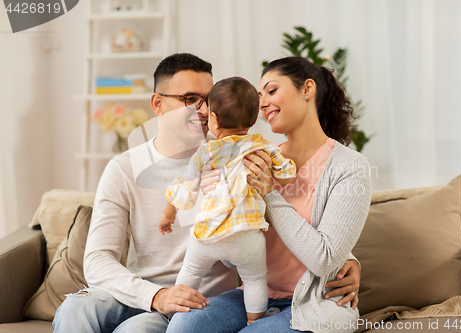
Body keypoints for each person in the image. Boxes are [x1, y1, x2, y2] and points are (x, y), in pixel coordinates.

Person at [52, 53, 362, 333]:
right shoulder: (124, 168)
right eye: (190, 99)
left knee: (136, 331)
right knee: (75, 306)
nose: (202, 110)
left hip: (197, 298)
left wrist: (345, 260)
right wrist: (156, 296)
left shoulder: (234, 156)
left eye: (207, 100)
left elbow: (294, 212)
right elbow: (97, 261)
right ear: (158, 104)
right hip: (138, 290)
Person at [166, 57, 371, 333]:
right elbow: (230, 257)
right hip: (255, 293)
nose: (262, 103)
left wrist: (270, 194)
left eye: (271, 91)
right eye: (259, 95)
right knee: (183, 328)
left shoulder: (349, 166)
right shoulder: (255, 156)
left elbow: (324, 259)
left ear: (307, 89)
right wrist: (216, 201)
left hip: (314, 301)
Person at [159, 76, 296, 324]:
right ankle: (255, 321)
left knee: (190, 271)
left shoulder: (205, 152)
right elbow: (286, 173)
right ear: (254, 120)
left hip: (208, 234)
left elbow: (184, 189)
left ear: (213, 118)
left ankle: (174, 313)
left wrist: (167, 216)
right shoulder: (261, 146)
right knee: (254, 279)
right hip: (246, 233)